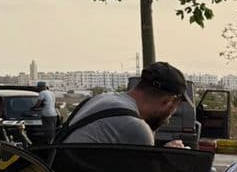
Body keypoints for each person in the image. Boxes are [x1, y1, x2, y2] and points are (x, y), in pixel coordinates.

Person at [59, 62, 187, 147]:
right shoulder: (136, 127)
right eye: (174, 107)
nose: (168, 120)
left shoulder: (100, 99)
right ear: (168, 101)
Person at [29, 80, 57, 147]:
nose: (38, 89)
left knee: (47, 129)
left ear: (41, 87)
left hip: (47, 114)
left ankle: (49, 144)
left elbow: (38, 104)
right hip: (54, 113)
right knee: (52, 129)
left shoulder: (42, 93)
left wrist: (32, 108)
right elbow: (50, 104)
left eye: (38, 87)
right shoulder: (51, 93)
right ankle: (53, 142)